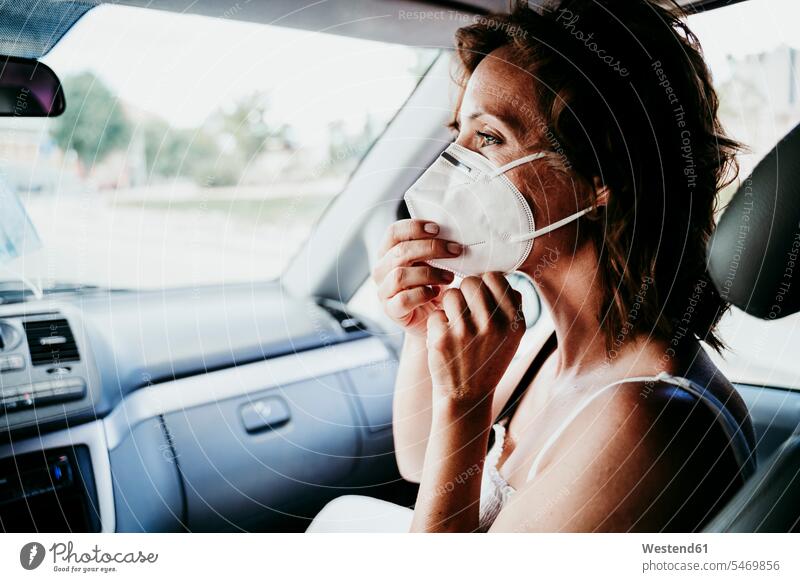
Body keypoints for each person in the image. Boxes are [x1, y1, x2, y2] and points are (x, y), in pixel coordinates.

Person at [308, 0, 755, 533]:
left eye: (490, 138)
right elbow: (422, 458)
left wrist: (466, 400)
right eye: (459, 136)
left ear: (602, 176)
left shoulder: (647, 418)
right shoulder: (548, 345)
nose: (451, 168)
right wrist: (424, 327)